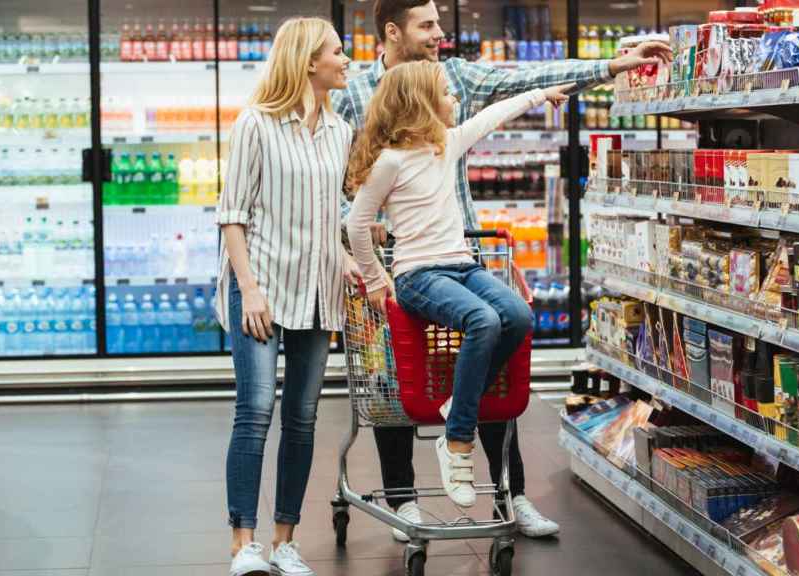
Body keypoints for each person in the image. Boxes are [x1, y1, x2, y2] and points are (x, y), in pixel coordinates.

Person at [333, 0, 672, 540]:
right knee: (395, 384)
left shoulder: (456, 78)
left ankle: (509, 495)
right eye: (427, 25)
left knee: (492, 357)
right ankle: (404, 501)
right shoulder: (351, 93)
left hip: (464, 251)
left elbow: (527, 80)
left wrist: (610, 66)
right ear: (393, 31)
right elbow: (340, 181)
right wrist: (364, 250)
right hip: (400, 266)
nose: (439, 34)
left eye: (440, 22)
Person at [346, 60, 571, 509]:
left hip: (462, 266)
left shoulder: (446, 145)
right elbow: (357, 224)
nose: (454, 101)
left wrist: (541, 94)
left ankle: (456, 404)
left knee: (519, 316)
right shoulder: (389, 162)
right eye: (447, 94)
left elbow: (494, 115)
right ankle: (458, 440)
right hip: (417, 274)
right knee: (483, 321)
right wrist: (375, 278)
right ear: (421, 104)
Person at [216, 17, 359, 576]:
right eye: (338, 52)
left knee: (301, 418)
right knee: (254, 411)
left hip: (319, 291)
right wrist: (248, 289)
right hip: (263, 288)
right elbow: (232, 216)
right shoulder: (255, 123)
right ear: (307, 62)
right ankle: (243, 543)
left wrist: (345, 257)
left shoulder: (340, 131)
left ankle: (285, 541)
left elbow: (331, 216)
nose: (346, 61)